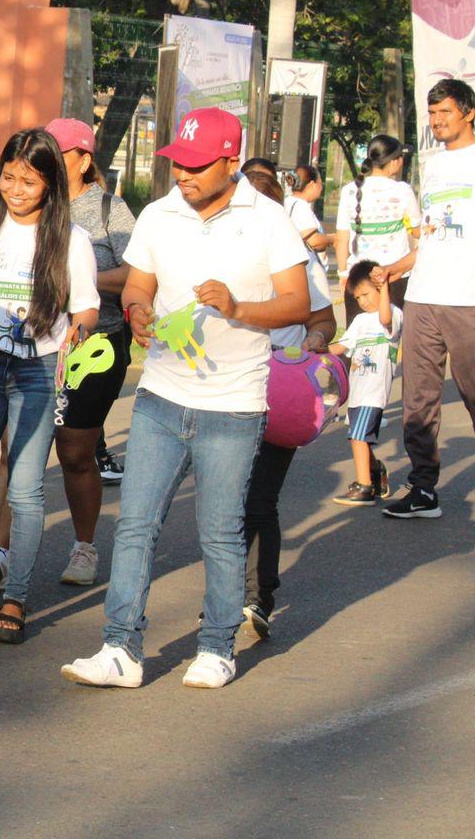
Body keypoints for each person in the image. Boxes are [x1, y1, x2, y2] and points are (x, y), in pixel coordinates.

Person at [61, 107, 309, 690]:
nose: (185, 175)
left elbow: (298, 302)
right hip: (160, 397)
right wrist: (139, 310)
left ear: (230, 160)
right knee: (136, 525)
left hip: (235, 403)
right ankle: (120, 649)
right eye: (179, 163)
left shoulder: (270, 219)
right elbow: (139, 281)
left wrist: (239, 307)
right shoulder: (158, 213)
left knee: (219, 531)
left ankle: (217, 647)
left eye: (198, 166)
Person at [0, 128, 99, 644]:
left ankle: (17, 598)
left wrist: (82, 329)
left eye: (29, 181)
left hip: (38, 372)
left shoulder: (71, 239)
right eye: (8, 177)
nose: (15, 189)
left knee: (26, 489)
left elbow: (87, 307)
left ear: (51, 184)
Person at [236, 161, 338, 639]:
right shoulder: (218, 248)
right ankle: (225, 596)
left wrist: (316, 339)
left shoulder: (297, 257)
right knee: (226, 500)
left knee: (259, 499)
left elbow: (324, 320)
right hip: (225, 386)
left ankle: (258, 597)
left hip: (281, 387)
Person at [43, 117, 135, 586]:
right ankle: (0, 552)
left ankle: (84, 547)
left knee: (75, 450)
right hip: (33, 343)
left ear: (82, 158)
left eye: (58, 154)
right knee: (16, 452)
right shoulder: (30, 205)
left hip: (96, 345)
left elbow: (137, 275)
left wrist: (80, 281)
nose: (50, 164)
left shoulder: (107, 210)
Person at [379, 80, 475, 519]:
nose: (437, 121)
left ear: (468, 113)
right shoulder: (432, 166)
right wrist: (398, 267)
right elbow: (432, 236)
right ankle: (423, 490)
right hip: (422, 297)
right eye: (433, 114)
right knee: (418, 399)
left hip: (467, 300)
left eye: (445, 113)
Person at [330, 262, 403, 507]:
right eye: (358, 297)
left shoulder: (394, 314)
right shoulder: (360, 321)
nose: (362, 301)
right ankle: (375, 472)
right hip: (357, 392)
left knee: (359, 437)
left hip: (374, 392)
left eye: (367, 294)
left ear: (381, 289)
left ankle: (364, 486)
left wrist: (384, 290)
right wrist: (314, 352)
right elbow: (340, 347)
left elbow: (385, 318)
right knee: (358, 436)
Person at [336, 134, 418, 323]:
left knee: (358, 337)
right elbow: (418, 229)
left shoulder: (349, 190)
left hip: (358, 277)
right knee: (391, 336)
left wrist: (343, 274)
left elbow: (342, 238)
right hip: (394, 276)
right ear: (393, 162)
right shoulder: (403, 190)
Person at [282, 161, 332, 267]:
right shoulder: (301, 206)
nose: (321, 188)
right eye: (320, 183)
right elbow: (313, 241)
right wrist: (332, 239)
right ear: (312, 184)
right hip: (308, 269)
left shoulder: (287, 202)